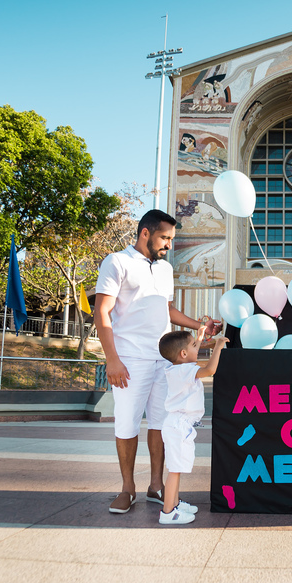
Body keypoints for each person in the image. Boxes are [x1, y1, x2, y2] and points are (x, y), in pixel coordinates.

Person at [93, 209, 221, 515]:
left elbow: (168, 310)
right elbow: (102, 312)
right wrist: (112, 359)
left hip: (164, 360)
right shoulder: (117, 262)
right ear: (145, 233)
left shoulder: (164, 269)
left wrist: (199, 326)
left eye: (171, 239)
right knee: (127, 424)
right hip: (129, 359)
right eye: (165, 238)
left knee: (162, 424)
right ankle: (127, 489)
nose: (169, 245)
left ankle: (155, 486)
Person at [155, 327, 227, 524]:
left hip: (177, 424)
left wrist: (199, 337)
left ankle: (175, 503)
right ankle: (168, 512)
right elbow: (210, 370)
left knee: (177, 468)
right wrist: (218, 346)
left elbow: (190, 353)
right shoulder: (186, 370)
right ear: (183, 354)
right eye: (195, 346)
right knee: (174, 470)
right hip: (179, 425)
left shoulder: (177, 368)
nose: (199, 347)